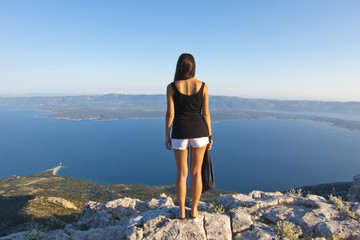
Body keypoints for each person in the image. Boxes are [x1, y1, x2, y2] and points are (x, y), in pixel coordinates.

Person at [165, 53, 213, 219]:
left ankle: (181, 212)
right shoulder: (203, 86)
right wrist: (210, 134)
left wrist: (167, 136)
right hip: (200, 132)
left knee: (181, 173)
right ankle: (193, 210)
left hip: (179, 132)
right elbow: (205, 113)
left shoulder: (171, 87)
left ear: (179, 66)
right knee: (196, 173)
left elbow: (170, 114)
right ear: (193, 66)